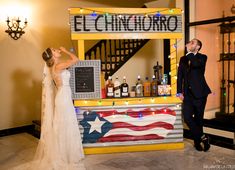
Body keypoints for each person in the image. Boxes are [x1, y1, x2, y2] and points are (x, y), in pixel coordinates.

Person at [13, 47, 85, 170]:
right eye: (54, 50)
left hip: (63, 96)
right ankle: (63, 156)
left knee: (65, 125)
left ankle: (66, 154)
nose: (58, 49)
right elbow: (76, 59)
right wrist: (66, 50)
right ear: (53, 56)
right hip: (63, 97)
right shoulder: (57, 67)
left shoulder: (56, 66)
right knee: (64, 125)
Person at [177, 38, 211, 152]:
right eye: (190, 42)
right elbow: (180, 76)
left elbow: (196, 64)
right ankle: (203, 138)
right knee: (187, 118)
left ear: (197, 47)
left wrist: (189, 52)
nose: (189, 43)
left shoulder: (202, 57)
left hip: (200, 94)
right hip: (187, 95)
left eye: (193, 42)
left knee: (198, 120)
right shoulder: (183, 59)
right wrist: (179, 92)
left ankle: (197, 143)